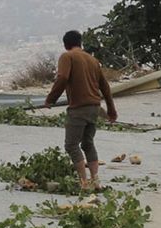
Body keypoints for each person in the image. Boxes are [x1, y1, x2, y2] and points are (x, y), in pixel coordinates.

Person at [44, 30, 117, 193]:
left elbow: (62, 77)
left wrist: (51, 99)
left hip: (79, 108)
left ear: (65, 44)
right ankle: (96, 180)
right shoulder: (92, 60)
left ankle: (84, 182)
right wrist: (111, 110)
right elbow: (105, 87)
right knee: (87, 143)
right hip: (94, 107)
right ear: (80, 43)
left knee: (71, 145)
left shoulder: (67, 56)